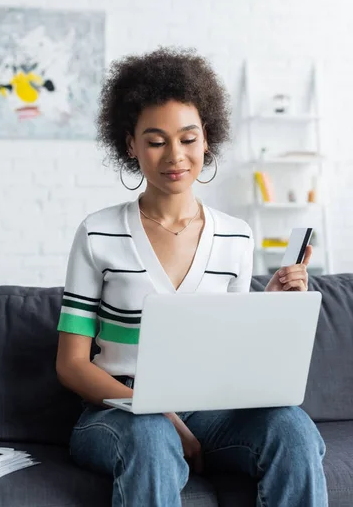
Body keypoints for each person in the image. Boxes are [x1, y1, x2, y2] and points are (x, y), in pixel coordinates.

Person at [55, 47, 328, 507]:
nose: (175, 156)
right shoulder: (97, 232)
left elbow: (230, 359)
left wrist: (269, 306)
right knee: (149, 434)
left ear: (207, 140)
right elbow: (72, 365)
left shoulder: (236, 238)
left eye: (188, 138)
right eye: (156, 140)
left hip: (210, 415)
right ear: (131, 145)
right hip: (120, 414)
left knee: (292, 426)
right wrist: (159, 414)